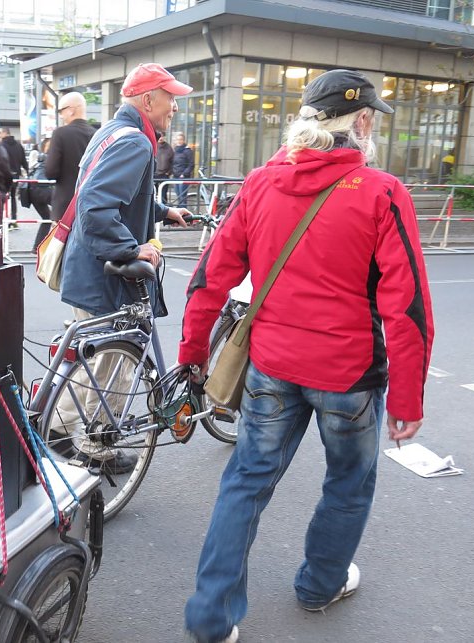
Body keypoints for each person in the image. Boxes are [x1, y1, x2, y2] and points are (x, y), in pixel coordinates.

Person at [179, 69, 435, 643]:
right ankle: (321, 583)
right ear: (362, 123)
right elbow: (408, 307)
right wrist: (410, 398)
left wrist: (195, 351)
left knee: (246, 480)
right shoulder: (382, 192)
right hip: (349, 374)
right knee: (349, 478)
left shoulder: (262, 182)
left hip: (271, 365)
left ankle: (210, 616)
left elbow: (210, 277)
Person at [53, 63, 192, 474]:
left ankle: (60, 431)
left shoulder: (112, 132)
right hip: (107, 273)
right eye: (170, 98)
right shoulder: (137, 143)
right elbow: (97, 207)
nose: (175, 108)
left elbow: (121, 195)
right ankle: (92, 445)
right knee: (115, 361)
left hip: (87, 268)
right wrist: (133, 248)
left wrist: (164, 211)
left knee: (98, 360)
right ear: (148, 99)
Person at [44, 91, 95, 222]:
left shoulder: (60, 134)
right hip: (91, 204)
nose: (61, 115)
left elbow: (50, 171)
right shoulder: (97, 135)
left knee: (60, 242)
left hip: (64, 206)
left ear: (71, 110)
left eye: (61, 110)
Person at [0, 127, 28, 228]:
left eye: (0, 133)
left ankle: (1, 221)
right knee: (13, 198)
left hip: (4, 176)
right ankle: (14, 219)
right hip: (15, 175)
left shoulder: (1, 145)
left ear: (4, 133)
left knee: (3, 197)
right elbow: (24, 160)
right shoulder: (18, 145)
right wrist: (27, 172)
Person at [29, 138, 54, 252]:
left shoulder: (40, 158)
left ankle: (37, 247)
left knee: (47, 218)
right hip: (43, 189)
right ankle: (58, 246)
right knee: (64, 212)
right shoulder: (50, 158)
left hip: (33, 191)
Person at [172, 132, 193, 208]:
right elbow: (172, 163)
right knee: (178, 197)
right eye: (178, 140)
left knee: (182, 197)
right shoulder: (175, 151)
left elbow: (191, 164)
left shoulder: (187, 151)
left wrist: (184, 174)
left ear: (184, 140)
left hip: (184, 177)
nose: (179, 141)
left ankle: (184, 216)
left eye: (181, 139)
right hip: (175, 176)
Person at [154, 133, 174, 199]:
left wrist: (169, 172)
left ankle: (164, 208)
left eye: (162, 136)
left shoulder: (169, 148)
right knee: (153, 194)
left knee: (163, 195)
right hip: (154, 174)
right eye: (159, 136)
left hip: (164, 175)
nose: (161, 138)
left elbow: (173, 161)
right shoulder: (153, 145)